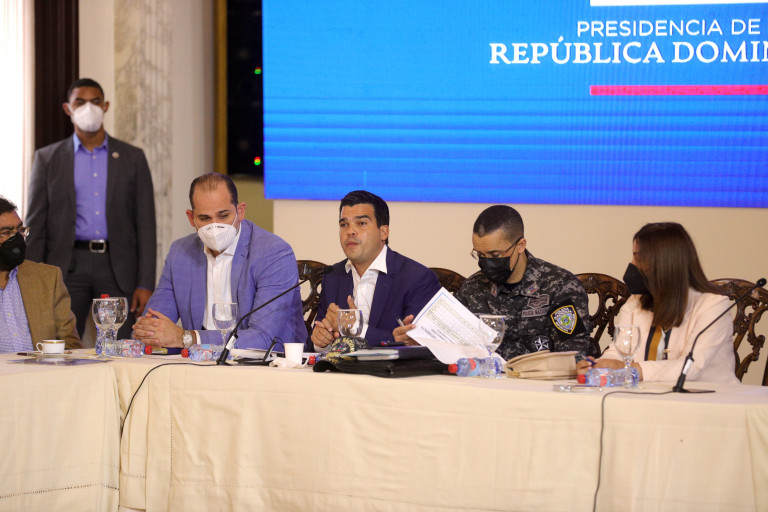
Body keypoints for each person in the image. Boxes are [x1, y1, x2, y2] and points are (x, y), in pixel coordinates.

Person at [25, 78, 156, 342]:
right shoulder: (47, 158)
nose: (89, 108)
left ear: (105, 106)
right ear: (68, 108)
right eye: (80, 102)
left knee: (119, 344)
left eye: (95, 102)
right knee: (60, 343)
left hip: (118, 268)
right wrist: (30, 278)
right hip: (66, 266)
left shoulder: (132, 157)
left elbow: (146, 224)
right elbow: (36, 225)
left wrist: (145, 283)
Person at [133, 173, 306, 350]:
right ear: (191, 218)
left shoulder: (273, 252)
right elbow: (150, 326)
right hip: (198, 361)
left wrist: (187, 338)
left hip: (267, 362)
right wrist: (150, 332)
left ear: (240, 211)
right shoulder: (180, 253)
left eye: (223, 216)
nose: (215, 226)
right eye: (205, 218)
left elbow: (262, 338)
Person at [396, 205, 592, 360]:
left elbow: (573, 354)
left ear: (520, 245)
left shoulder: (559, 286)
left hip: (539, 386)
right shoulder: (473, 288)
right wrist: (418, 341)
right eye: (480, 255)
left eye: (495, 255)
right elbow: (451, 345)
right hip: (484, 385)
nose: (487, 262)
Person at [577, 222, 739, 384]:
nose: (632, 263)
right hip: (649, 394)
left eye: (637, 256)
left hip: (709, 396)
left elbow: (691, 367)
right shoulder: (635, 303)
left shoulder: (714, 305)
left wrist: (633, 369)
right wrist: (598, 366)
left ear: (663, 263)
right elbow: (619, 353)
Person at [310, 190, 441, 349]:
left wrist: (354, 328)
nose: (350, 231)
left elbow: (419, 345)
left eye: (361, 223)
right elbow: (319, 338)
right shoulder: (332, 276)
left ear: (383, 232)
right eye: (344, 224)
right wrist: (320, 339)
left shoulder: (417, 278)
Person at [0, 197, 80, 353]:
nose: (17, 239)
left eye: (20, 230)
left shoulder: (48, 278)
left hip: (43, 367)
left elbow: (71, 344)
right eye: (6, 233)